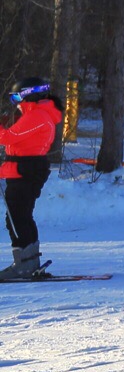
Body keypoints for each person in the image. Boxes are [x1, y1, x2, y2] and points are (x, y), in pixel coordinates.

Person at [1, 78, 62, 280]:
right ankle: (28, 262)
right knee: (19, 216)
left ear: (30, 95)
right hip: (24, 168)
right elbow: (16, 143)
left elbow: (8, 138)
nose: (16, 102)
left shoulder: (38, 116)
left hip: (27, 170)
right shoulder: (35, 114)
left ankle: (24, 265)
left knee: (17, 217)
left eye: (18, 96)